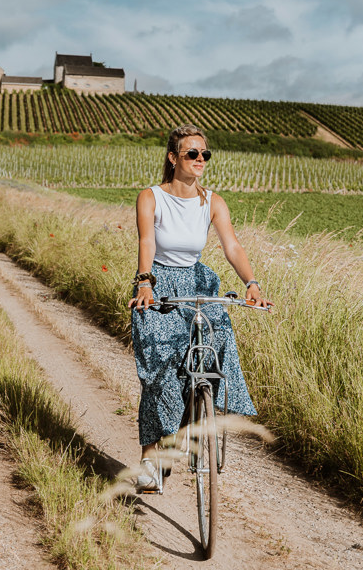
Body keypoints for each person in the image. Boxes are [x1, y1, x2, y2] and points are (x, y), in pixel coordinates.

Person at [128, 123, 271, 492]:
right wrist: (145, 282)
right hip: (160, 283)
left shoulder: (212, 201)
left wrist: (251, 285)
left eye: (204, 154)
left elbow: (232, 247)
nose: (200, 160)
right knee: (159, 372)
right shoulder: (151, 197)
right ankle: (149, 460)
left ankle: (194, 419)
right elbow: (147, 242)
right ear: (174, 158)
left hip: (197, 281)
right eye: (192, 154)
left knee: (217, 344)